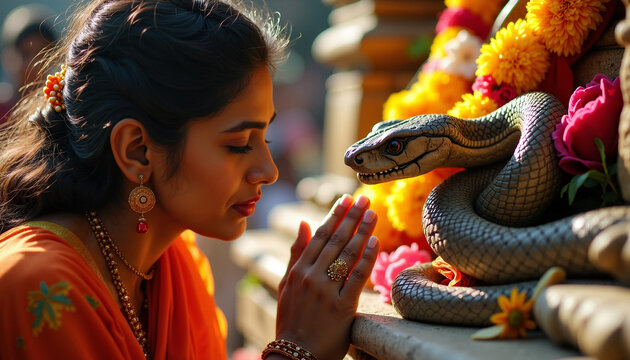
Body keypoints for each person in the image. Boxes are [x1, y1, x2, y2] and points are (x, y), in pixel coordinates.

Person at [0, 0, 379, 359]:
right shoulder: (37, 285)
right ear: (137, 151)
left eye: (264, 137)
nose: (269, 170)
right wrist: (297, 348)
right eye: (238, 144)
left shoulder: (173, 262)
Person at [0, 3, 58, 121]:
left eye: (43, 55)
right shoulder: (2, 109)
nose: (34, 64)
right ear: (8, 57)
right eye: (25, 54)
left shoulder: (60, 110)